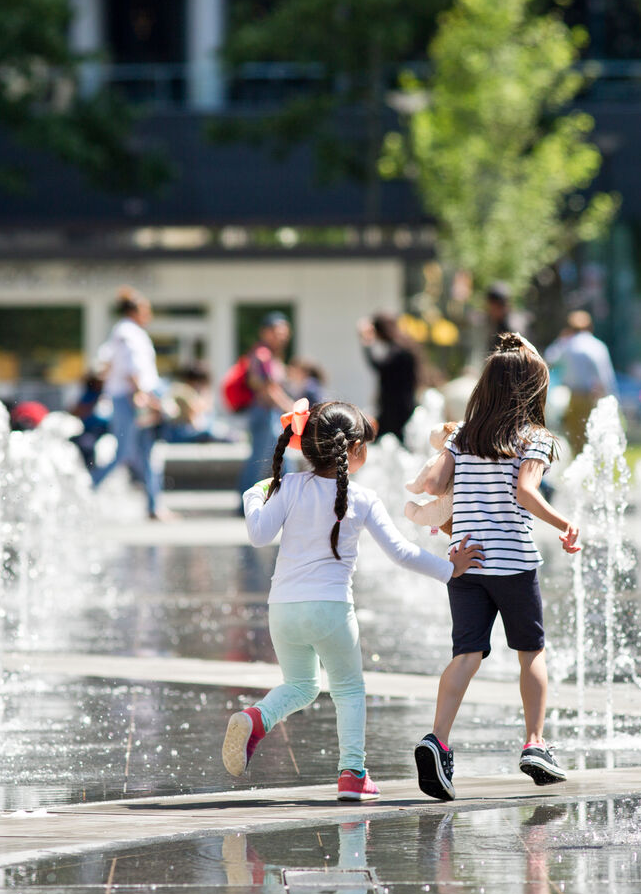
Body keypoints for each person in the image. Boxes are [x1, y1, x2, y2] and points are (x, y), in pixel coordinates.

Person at [223, 399, 484, 801]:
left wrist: (254, 494)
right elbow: (401, 553)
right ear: (355, 451)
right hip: (331, 611)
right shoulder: (363, 499)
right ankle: (352, 773)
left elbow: (258, 534)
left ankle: (255, 718)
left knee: (300, 684)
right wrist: (450, 569)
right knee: (348, 691)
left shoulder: (289, 486)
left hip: (283, 610)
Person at [410, 333, 581, 802]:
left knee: (466, 654)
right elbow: (526, 493)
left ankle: (438, 739)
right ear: (533, 389)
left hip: (465, 563)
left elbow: (431, 483)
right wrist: (564, 523)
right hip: (513, 562)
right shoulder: (534, 438)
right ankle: (535, 743)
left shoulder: (464, 435)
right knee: (531, 653)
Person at [90, 287, 169, 519]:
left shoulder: (127, 331)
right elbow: (131, 369)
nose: (149, 314)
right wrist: (142, 395)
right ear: (135, 310)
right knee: (124, 453)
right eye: (146, 309)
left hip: (134, 396)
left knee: (146, 452)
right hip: (130, 398)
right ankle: (87, 491)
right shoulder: (127, 332)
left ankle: (154, 506)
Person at [543, 310, 618, 455]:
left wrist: (560, 339)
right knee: (591, 439)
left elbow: (549, 359)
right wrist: (612, 398)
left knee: (574, 439)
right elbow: (606, 376)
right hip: (590, 397)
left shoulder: (567, 345)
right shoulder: (597, 346)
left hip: (572, 397)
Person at [237, 312, 295, 497]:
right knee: (262, 459)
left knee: (278, 457)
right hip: (264, 414)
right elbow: (270, 389)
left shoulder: (270, 355)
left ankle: (290, 496)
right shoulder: (263, 355)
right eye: (278, 332)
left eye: (285, 332)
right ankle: (245, 502)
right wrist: (291, 408)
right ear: (265, 332)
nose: (283, 336)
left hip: (268, 414)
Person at [357, 313, 418, 440]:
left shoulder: (398, 350)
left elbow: (380, 367)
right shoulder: (403, 346)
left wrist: (367, 343)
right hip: (401, 404)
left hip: (395, 407)